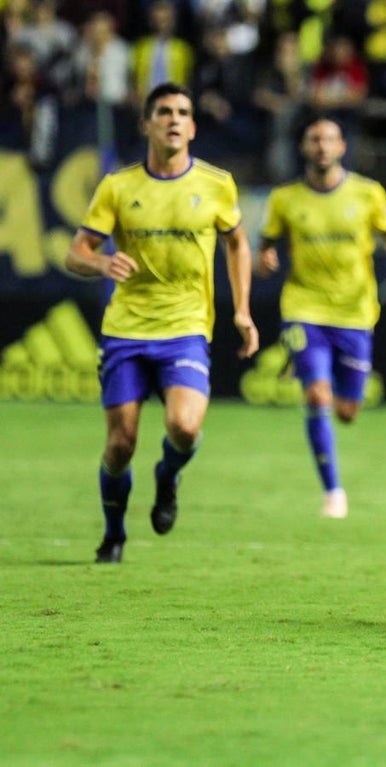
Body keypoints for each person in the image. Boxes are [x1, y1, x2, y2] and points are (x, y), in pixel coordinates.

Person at [64, 81, 259, 564]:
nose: (173, 118)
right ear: (147, 124)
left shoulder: (216, 184)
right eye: (164, 111)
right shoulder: (118, 186)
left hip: (186, 328)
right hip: (126, 330)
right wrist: (101, 264)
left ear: (192, 127)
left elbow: (237, 243)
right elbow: (76, 252)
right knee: (120, 443)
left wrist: (241, 309)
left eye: (182, 112)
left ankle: (168, 476)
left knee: (185, 427)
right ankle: (113, 536)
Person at [257, 117, 386, 519]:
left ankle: (334, 397)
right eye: (314, 140)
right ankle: (333, 492)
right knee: (317, 395)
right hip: (303, 307)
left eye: (329, 139)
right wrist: (265, 258)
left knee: (347, 410)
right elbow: (266, 243)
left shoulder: (367, 193)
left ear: (342, 147)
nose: (322, 146)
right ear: (305, 148)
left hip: (355, 312)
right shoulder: (284, 199)